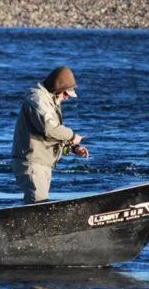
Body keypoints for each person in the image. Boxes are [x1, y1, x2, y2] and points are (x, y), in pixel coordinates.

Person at [11, 66, 90, 203]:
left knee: (37, 205)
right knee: (37, 206)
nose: (67, 98)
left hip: (41, 163)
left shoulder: (49, 101)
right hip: (32, 163)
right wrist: (72, 136)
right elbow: (49, 128)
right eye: (66, 94)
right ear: (57, 89)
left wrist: (73, 148)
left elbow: (50, 135)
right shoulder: (37, 101)